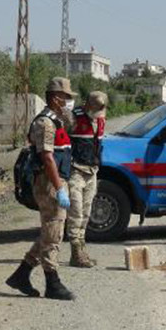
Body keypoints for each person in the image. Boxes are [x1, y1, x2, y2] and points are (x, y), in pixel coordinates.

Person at [5, 77, 77, 301]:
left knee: (50, 231)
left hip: (56, 181)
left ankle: (21, 274)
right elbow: (47, 157)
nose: (69, 101)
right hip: (49, 183)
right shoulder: (45, 123)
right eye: (65, 97)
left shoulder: (57, 121)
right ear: (55, 98)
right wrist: (59, 187)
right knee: (53, 233)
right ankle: (52, 283)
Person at [65, 91, 107, 268]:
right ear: (87, 104)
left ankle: (81, 250)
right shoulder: (73, 118)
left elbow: (98, 145)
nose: (97, 113)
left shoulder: (101, 119)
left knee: (86, 212)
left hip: (92, 171)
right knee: (76, 213)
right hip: (75, 171)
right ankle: (75, 253)